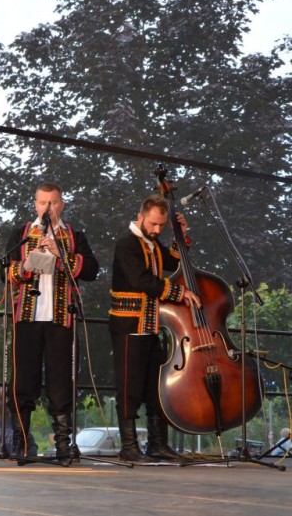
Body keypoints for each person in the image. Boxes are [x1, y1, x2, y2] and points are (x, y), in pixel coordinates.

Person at [4, 182, 99, 462]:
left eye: (53, 202)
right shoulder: (21, 234)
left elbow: (92, 270)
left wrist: (62, 254)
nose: (48, 208)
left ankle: (63, 446)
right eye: (43, 202)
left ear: (62, 205)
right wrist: (25, 266)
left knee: (60, 383)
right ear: (35, 205)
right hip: (27, 319)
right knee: (23, 382)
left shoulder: (74, 235)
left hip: (61, 319)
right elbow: (6, 273)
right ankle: (22, 444)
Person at [109, 193, 201, 462]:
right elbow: (141, 280)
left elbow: (174, 262)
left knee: (155, 387)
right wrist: (180, 293)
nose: (157, 229)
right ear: (140, 217)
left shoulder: (153, 244)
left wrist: (181, 234)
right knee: (129, 386)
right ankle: (129, 446)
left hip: (151, 327)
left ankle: (157, 444)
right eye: (153, 223)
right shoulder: (127, 244)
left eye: (161, 225)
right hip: (128, 325)